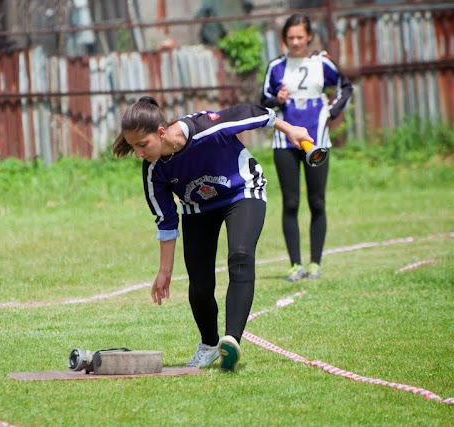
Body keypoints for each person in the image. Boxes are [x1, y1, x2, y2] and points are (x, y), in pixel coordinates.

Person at [112, 96, 312, 371]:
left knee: (240, 256)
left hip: (242, 190)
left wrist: (291, 129)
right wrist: (164, 271)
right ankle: (209, 344)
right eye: (133, 146)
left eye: (142, 145)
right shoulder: (153, 170)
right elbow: (166, 220)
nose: (138, 153)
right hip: (198, 207)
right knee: (200, 286)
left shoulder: (205, 127)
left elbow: (248, 112)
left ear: (161, 132)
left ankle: (231, 341)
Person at [261, 13, 353, 281]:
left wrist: (331, 112)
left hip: (317, 142)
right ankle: (295, 265)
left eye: (300, 37)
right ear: (284, 39)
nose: (296, 42)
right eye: (290, 37)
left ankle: (315, 264)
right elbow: (263, 101)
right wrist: (276, 99)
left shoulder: (322, 63)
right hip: (285, 143)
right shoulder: (276, 66)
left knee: (317, 201)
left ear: (309, 36)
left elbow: (346, 87)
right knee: (290, 202)